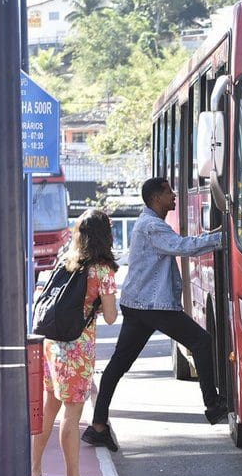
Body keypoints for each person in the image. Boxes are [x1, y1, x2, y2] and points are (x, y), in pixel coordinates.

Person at [81, 177, 226, 453]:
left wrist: (216, 234)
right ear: (155, 198)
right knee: (201, 341)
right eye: (169, 192)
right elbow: (184, 247)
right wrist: (222, 238)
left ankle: (98, 426)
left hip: (140, 305)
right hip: (152, 306)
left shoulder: (150, 223)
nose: (174, 196)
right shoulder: (151, 226)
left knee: (118, 364)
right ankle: (213, 406)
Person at [32, 209, 119, 476]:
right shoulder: (103, 270)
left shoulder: (65, 260)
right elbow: (109, 316)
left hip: (52, 343)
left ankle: (33, 470)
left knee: (50, 406)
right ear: (105, 235)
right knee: (71, 416)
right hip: (77, 351)